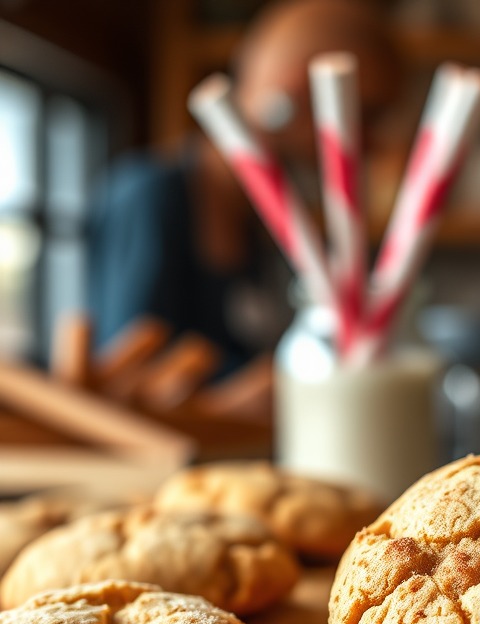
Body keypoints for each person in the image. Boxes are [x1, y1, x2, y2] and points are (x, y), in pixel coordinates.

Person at [86, 0, 401, 373]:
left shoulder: (264, 219)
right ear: (295, 89)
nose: (372, 143)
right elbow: (127, 378)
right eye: (365, 113)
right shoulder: (151, 196)